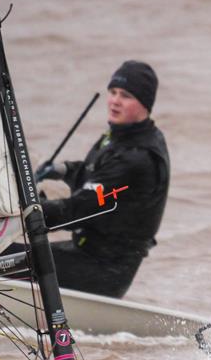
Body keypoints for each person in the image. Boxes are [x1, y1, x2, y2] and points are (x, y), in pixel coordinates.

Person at [33, 60, 170, 298]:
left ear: (145, 104)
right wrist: (62, 169)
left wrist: (29, 211)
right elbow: (95, 174)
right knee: (7, 253)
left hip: (101, 272)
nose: (115, 100)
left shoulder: (136, 158)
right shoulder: (124, 136)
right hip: (85, 252)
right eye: (113, 92)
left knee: (1, 259)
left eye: (126, 95)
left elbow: (80, 209)